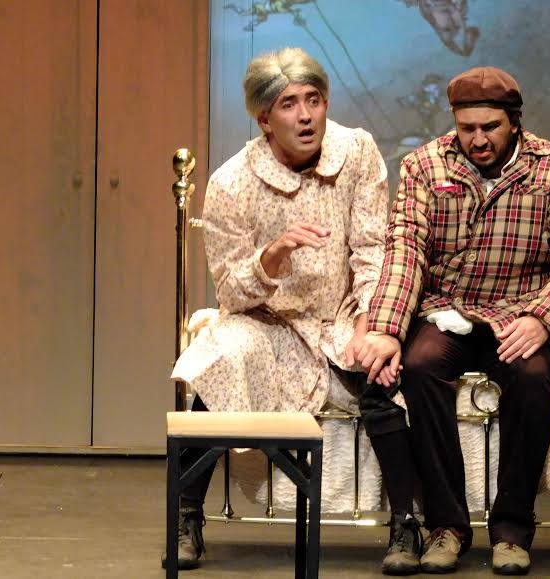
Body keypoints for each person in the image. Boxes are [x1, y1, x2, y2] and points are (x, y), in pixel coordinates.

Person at [169, 47, 417, 575]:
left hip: (343, 313)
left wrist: (371, 323)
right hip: (268, 320)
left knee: (381, 373)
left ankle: (406, 523)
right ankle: (186, 517)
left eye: (314, 100)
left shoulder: (356, 153)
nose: (306, 116)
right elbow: (231, 293)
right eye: (289, 104)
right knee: (219, 363)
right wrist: (273, 255)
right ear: (265, 119)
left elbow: (373, 249)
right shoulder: (232, 183)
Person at [356, 66, 550, 575]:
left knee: (532, 376)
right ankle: (446, 526)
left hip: (521, 310)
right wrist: (386, 328)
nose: (477, 139)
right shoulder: (426, 165)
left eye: (489, 127)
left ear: (513, 121)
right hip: (450, 309)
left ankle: (511, 530)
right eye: (466, 128)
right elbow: (406, 249)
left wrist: (543, 318)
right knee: (420, 368)